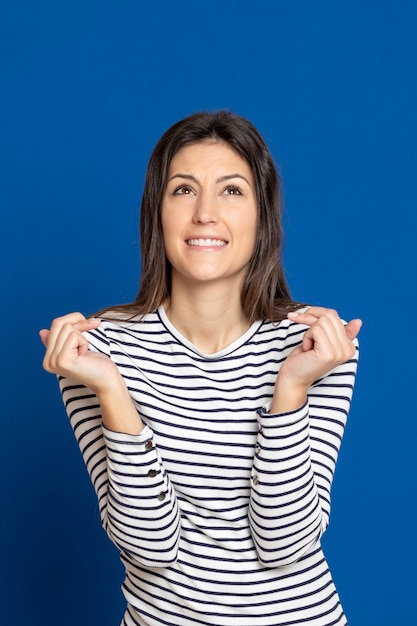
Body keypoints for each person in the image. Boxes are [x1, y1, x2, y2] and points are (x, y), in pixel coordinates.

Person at [40, 110, 361, 626]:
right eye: (183, 190)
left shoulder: (314, 345)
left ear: (262, 217)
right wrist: (113, 392)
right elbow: (150, 548)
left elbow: (285, 544)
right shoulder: (97, 352)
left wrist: (291, 390)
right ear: (157, 213)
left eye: (231, 191)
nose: (205, 214)